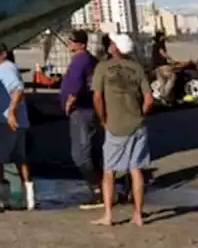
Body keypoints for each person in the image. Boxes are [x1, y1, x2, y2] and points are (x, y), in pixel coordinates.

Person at [90, 34, 153, 227]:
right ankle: (138, 215)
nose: (109, 45)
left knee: (109, 171)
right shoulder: (137, 68)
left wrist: (103, 119)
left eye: (112, 43)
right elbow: (149, 99)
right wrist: (139, 114)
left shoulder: (103, 67)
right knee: (136, 170)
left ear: (116, 48)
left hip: (116, 124)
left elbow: (97, 98)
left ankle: (108, 215)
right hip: (138, 124)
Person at [0, 40, 34, 210]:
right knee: (20, 159)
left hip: (6, 121)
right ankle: (29, 199)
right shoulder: (9, 68)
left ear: (4, 54)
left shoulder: (4, 68)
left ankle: (2, 197)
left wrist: (11, 113)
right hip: (17, 121)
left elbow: (18, 89)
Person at [58, 29, 103, 210]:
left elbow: (76, 83)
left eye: (72, 41)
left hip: (81, 111)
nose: (69, 43)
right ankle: (99, 188)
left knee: (81, 155)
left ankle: (98, 189)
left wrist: (70, 101)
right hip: (85, 110)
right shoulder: (85, 59)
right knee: (89, 151)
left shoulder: (81, 59)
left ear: (81, 44)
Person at [150, 29, 178, 101]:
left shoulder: (154, 45)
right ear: (161, 37)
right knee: (172, 77)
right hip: (163, 66)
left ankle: (164, 98)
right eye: (163, 36)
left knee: (162, 82)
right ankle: (165, 95)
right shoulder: (160, 43)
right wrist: (171, 59)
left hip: (156, 68)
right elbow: (162, 53)